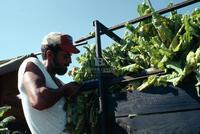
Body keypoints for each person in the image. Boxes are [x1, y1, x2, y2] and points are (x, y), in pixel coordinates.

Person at [18, 32, 81, 134]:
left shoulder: (58, 83)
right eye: (66, 56)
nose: (70, 61)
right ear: (50, 54)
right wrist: (64, 90)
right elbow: (39, 100)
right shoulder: (31, 64)